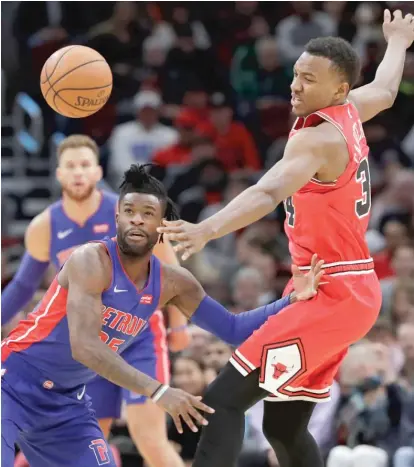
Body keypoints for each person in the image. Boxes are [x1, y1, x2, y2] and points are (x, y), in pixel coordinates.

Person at [158, 9, 414, 467]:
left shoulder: (314, 141)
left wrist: (206, 228)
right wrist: (397, 42)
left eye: (308, 79)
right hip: (345, 288)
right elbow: (388, 88)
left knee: (223, 400)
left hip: (331, 293)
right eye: (296, 74)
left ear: (337, 88)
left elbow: (268, 190)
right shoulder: (351, 109)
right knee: (282, 426)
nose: (295, 85)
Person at [1, 164, 324, 467]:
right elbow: (84, 347)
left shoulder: (174, 282)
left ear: (163, 226)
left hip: (65, 403)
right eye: (128, 212)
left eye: (147, 213)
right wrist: (158, 391)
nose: (137, 220)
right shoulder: (91, 261)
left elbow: (234, 329)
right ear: (116, 218)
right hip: (12, 382)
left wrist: (293, 299)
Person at [1, 134, 191, 467]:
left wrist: (179, 326)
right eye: (71, 166)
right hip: (84, 346)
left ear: (97, 170)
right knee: (84, 442)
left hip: (137, 337)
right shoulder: (45, 225)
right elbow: (21, 287)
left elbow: (171, 272)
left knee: (150, 440)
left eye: (85, 165)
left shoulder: (129, 211)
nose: (78, 173)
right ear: (58, 173)